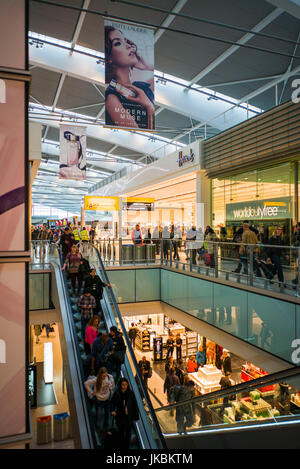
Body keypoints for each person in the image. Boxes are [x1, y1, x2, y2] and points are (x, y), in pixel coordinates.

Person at [105, 25, 155, 130]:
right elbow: (137, 137)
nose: (128, 46)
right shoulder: (112, 98)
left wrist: (148, 67)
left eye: (126, 41)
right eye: (118, 43)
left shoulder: (142, 87)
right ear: (109, 58)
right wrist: (150, 108)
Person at [111, 378, 139, 449]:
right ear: (120, 385)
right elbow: (112, 403)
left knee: (128, 432)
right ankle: (121, 445)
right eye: (123, 385)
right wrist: (113, 410)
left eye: (126, 384)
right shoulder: (117, 393)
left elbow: (134, 405)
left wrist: (136, 417)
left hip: (128, 416)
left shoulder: (130, 393)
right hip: (120, 416)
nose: (124, 386)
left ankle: (126, 446)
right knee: (121, 432)